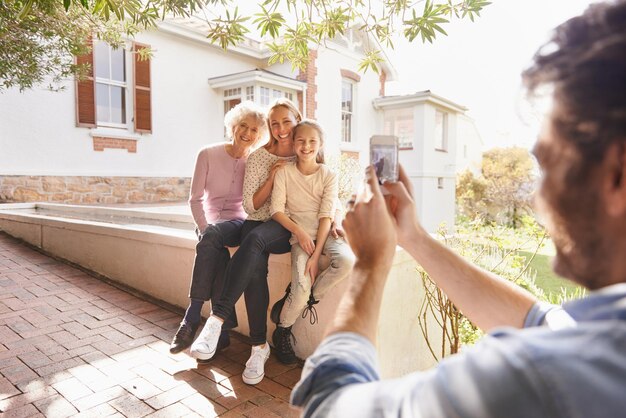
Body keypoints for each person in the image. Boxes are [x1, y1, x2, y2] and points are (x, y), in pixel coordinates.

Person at [291, 1, 626, 417]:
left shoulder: (544, 375)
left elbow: (329, 406)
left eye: (548, 163)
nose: (539, 199)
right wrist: (413, 238)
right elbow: (544, 320)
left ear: (617, 174)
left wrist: (371, 263)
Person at [189, 98, 303, 385]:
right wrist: (272, 178)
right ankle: (258, 347)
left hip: (284, 225)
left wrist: (335, 220)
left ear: (297, 119)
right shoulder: (259, 157)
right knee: (254, 266)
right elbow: (252, 207)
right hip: (259, 221)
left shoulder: (305, 149)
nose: (280, 129)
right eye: (274, 124)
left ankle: (216, 320)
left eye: (285, 122)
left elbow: (325, 184)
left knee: (253, 241)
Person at [169, 101, 267, 355]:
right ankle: (222, 333)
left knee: (213, 239)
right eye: (243, 125)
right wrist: (204, 228)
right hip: (209, 225)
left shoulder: (255, 163)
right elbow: (195, 199)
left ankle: (191, 319)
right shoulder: (207, 154)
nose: (247, 133)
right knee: (217, 250)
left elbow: (254, 203)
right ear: (232, 126)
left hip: (237, 223)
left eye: (254, 129)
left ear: (259, 135)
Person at [269, 120, 355, 364]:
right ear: (294, 143)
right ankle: (283, 329)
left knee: (346, 261)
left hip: (326, 234)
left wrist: (316, 256)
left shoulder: (329, 175)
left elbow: (326, 214)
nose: (306, 146)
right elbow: (276, 210)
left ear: (320, 145)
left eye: (312, 142)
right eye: (301, 141)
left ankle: (307, 297)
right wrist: (301, 234)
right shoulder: (285, 172)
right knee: (301, 285)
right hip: (300, 238)